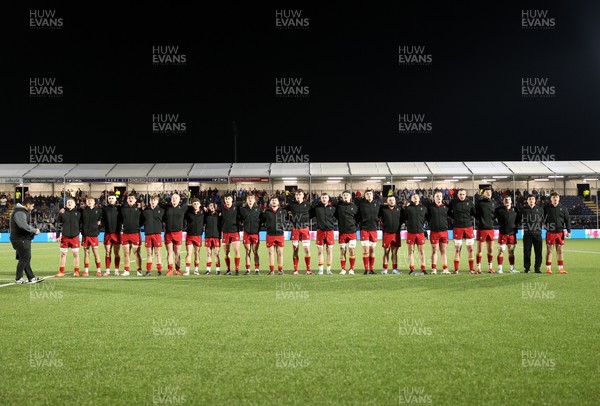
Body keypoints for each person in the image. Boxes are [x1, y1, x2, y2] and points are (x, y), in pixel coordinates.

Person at [9, 196, 43, 284]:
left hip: (21, 238)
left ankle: (31, 277)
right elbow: (23, 225)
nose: (33, 207)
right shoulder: (20, 212)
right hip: (20, 239)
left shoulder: (21, 211)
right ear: (27, 205)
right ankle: (18, 278)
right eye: (32, 206)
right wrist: (34, 230)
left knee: (26, 257)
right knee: (24, 257)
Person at [448, 188, 476, 274]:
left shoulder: (470, 203)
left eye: (463, 194)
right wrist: (455, 218)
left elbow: (473, 213)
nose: (462, 196)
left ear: (466, 195)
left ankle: (471, 269)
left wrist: (468, 219)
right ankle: (456, 269)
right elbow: (448, 212)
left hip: (468, 227)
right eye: (460, 194)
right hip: (457, 227)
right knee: (457, 248)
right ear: (457, 195)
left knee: (470, 249)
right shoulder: (453, 202)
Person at [286, 189, 313, 275]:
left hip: (305, 228)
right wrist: (289, 218)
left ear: (303, 195)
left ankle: (308, 270)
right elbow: (284, 212)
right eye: (296, 194)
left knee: (307, 249)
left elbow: (312, 213)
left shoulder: (308, 205)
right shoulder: (291, 205)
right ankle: (295, 270)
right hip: (295, 229)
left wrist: (307, 220)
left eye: (299, 194)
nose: (298, 196)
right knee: (295, 249)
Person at [544, 192, 571, 274]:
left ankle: (561, 268)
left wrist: (569, 231)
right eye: (553, 197)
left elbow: (567, 220)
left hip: (560, 232)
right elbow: (541, 218)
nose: (555, 198)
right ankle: (548, 268)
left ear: (559, 198)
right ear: (551, 199)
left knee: (560, 250)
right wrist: (544, 226)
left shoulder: (563, 208)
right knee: (549, 250)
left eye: (556, 197)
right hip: (550, 232)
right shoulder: (546, 208)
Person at [357, 188, 382, 274]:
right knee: (366, 250)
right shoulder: (361, 204)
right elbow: (357, 216)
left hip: (374, 229)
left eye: (370, 194)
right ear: (365, 195)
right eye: (367, 194)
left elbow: (380, 215)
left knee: (372, 250)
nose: (369, 195)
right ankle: (366, 269)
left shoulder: (377, 204)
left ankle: (371, 269)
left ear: (373, 195)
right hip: (364, 229)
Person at [310, 193, 336, 275]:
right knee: (320, 251)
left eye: (326, 197)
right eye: (323, 197)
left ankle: (328, 269)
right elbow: (309, 214)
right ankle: (320, 269)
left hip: (330, 231)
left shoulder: (333, 208)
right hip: (320, 231)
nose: (324, 199)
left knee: (329, 251)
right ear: (320, 199)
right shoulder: (317, 208)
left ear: (328, 199)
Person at [55, 198, 81, 277]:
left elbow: (82, 223)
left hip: (75, 236)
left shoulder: (79, 212)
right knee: (63, 254)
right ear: (66, 204)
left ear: (74, 204)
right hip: (65, 236)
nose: (69, 203)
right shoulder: (62, 213)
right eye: (68, 202)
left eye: (71, 202)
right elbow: (58, 224)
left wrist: (80, 231)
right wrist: (58, 235)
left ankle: (76, 271)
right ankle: (61, 271)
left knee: (76, 254)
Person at [261, 197, 287, 275]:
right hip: (270, 234)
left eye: (276, 200)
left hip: (280, 234)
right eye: (272, 200)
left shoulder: (283, 211)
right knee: (270, 253)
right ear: (270, 202)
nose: (274, 201)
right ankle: (272, 270)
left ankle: (280, 270)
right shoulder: (266, 212)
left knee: (280, 253)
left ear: (278, 202)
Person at [402, 193, 428, 275]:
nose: (415, 198)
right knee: (410, 251)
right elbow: (404, 218)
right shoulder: (408, 208)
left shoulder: (423, 208)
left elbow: (426, 218)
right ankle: (411, 268)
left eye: (417, 197)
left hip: (420, 232)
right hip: (411, 232)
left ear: (419, 198)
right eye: (414, 197)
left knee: (422, 251)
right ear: (411, 199)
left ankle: (423, 268)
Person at [163, 193, 187, 276]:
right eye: (173, 197)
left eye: (176, 198)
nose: (174, 199)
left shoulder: (183, 208)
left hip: (178, 233)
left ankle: (177, 269)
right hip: (168, 233)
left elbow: (187, 203)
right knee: (169, 252)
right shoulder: (167, 207)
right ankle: (170, 270)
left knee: (177, 252)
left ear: (179, 199)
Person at [426, 191, 450, 275]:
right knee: (434, 250)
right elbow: (427, 217)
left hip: (444, 231)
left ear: (442, 197)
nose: (439, 197)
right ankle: (434, 269)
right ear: (434, 197)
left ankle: (445, 268)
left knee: (443, 251)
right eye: (437, 196)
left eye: (440, 196)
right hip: (434, 232)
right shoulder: (430, 207)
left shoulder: (446, 207)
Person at [335, 191, 359, 275]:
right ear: (342, 197)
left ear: (350, 197)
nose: (345, 196)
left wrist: (355, 226)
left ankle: (351, 269)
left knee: (352, 250)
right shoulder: (339, 207)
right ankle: (343, 269)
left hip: (352, 232)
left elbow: (358, 218)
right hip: (342, 232)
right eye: (344, 195)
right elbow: (336, 216)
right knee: (342, 251)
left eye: (347, 195)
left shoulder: (354, 207)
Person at [378, 194, 403, 275]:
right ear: (387, 201)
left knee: (395, 252)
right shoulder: (383, 209)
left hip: (396, 234)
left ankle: (395, 269)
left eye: (393, 200)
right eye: (390, 200)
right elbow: (376, 216)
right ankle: (385, 268)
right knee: (386, 251)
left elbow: (403, 219)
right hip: (387, 233)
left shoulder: (399, 209)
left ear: (395, 201)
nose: (391, 201)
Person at [495, 196, 519, 274]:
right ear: (503, 201)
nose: (507, 201)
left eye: (509, 199)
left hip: (512, 234)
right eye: (506, 200)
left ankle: (512, 269)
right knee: (501, 251)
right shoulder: (499, 210)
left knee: (511, 252)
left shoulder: (515, 210)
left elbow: (518, 219)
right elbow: (493, 217)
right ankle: (500, 269)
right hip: (503, 233)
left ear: (511, 201)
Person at [120, 194, 143, 276]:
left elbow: (142, 220)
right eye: (129, 198)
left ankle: (139, 270)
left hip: (135, 233)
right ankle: (126, 270)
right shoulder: (123, 210)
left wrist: (137, 226)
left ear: (135, 200)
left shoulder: (139, 210)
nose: (130, 199)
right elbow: (120, 220)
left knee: (136, 253)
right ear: (127, 200)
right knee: (126, 253)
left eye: (132, 198)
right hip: (125, 233)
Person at [475, 187, 497, 274]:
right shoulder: (479, 203)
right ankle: (478, 268)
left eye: (490, 192)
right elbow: (475, 214)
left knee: (490, 250)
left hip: (491, 229)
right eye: (487, 192)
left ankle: (490, 267)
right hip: (482, 229)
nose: (489, 193)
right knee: (480, 250)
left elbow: (494, 214)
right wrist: (481, 221)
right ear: (483, 193)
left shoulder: (494, 203)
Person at [520, 194, 544, 273]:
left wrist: (540, 229)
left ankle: (537, 268)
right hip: (527, 234)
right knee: (527, 252)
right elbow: (519, 220)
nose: (531, 200)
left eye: (533, 199)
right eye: (529, 199)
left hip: (537, 234)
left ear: (535, 200)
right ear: (527, 200)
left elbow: (542, 221)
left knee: (538, 252)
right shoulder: (523, 210)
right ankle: (527, 268)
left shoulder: (540, 209)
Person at [142, 195, 165, 276]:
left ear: (157, 202)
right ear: (149, 201)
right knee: (149, 253)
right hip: (148, 234)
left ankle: (159, 270)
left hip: (157, 234)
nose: (153, 201)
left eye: (154, 200)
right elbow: (141, 221)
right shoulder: (145, 211)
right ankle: (148, 271)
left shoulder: (161, 211)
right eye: (152, 200)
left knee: (157, 253)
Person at [239, 193, 261, 275]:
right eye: (249, 198)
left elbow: (261, 219)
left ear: (254, 200)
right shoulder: (243, 209)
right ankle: (248, 269)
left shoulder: (258, 209)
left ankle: (257, 269)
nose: (250, 200)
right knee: (247, 251)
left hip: (255, 233)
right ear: (247, 200)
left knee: (255, 251)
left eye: (252, 198)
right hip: (246, 233)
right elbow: (240, 219)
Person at [81, 197, 103, 277]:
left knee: (95, 253)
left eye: (91, 201)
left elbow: (101, 222)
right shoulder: (83, 211)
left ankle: (99, 270)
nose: (89, 202)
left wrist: (97, 231)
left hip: (94, 235)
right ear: (86, 202)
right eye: (88, 201)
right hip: (85, 235)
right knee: (86, 253)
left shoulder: (99, 211)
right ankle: (86, 271)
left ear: (94, 202)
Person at [221, 194, 241, 275]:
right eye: (226, 199)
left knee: (236, 250)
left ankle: (237, 269)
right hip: (225, 232)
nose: (227, 200)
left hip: (234, 231)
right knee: (226, 252)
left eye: (229, 199)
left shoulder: (236, 208)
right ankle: (228, 269)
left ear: (232, 200)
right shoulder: (222, 208)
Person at [102, 195, 122, 276]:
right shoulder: (104, 209)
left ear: (115, 200)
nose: (110, 200)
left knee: (116, 252)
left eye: (112, 198)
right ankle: (107, 270)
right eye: (109, 198)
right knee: (107, 252)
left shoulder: (120, 209)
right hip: (107, 233)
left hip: (116, 233)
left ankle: (116, 270)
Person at [184, 198, 204, 275]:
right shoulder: (188, 212)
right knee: (189, 253)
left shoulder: (203, 212)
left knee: (196, 253)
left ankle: (196, 269)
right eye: (194, 204)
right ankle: (187, 270)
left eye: (197, 204)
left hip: (198, 236)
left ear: (200, 205)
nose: (196, 205)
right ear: (192, 205)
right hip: (189, 235)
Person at [204, 202, 222, 275]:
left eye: (212, 205)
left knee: (216, 253)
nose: (211, 207)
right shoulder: (206, 215)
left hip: (216, 236)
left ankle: (218, 270)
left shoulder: (219, 215)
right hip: (208, 236)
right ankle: (208, 270)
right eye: (210, 205)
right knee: (208, 253)